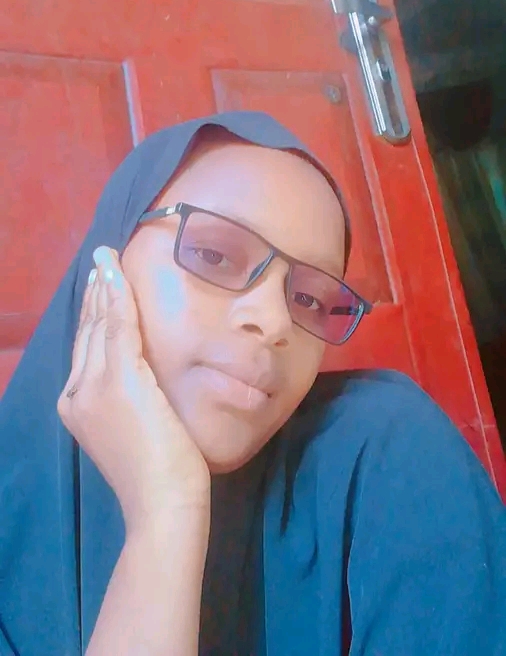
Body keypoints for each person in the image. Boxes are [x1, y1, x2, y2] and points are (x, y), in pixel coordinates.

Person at [0, 111, 504, 656]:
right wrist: (164, 518)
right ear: (106, 269)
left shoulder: (385, 456)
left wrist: (164, 514)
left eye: (309, 298)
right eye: (214, 255)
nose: (274, 322)